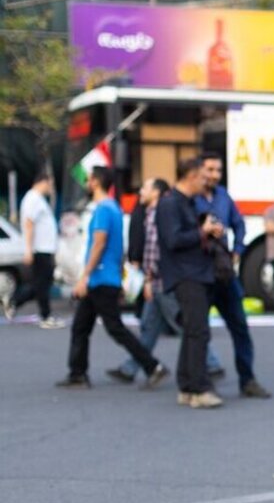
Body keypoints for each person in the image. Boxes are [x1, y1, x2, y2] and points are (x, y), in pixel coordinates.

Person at [56, 166, 169, 390]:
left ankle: (151, 365)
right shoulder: (114, 208)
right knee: (82, 326)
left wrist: (84, 276)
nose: (87, 184)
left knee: (114, 328)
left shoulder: (103, 210)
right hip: (105, 276)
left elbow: (99, 242)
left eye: (89, 180)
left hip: (99, 277)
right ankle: (77, 373)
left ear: (96, 182)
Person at [195, 151, 271, 399]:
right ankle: (202, 381)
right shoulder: (190, 198)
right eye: (210, 170)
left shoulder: (223, 196)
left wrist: (238, 249)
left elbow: (239, 224)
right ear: (199, 170)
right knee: (199, 331)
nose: (214, 175)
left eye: (218, 170)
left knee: (239, 327)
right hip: (200, 273)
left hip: (224, 272)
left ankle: (247, 380)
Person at [158, 158, 225, 409]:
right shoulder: (169, 203)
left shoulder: (186, 203)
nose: (205, 181)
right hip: (186, 275)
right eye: (202, 176)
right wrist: (202, 232)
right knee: (198, 331)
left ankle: (187, 385)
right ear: (190, 176)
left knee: (192, 330)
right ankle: (199, 388)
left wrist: (207, 230)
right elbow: (173, 239)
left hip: (196, 272)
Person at [107, 178, 185, 383]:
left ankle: (210, 363)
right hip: (156, 279)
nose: (140, 191)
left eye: (145, 188)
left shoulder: (159, 216)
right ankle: (132, 368)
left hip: (160, 281)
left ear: (157, 193)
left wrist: (149, 279)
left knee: (183, 324)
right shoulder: (148, 213)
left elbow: (156, 251)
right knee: (149, 327)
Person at [4, 172, 63, 328]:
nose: (51, 188)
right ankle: (45, 316)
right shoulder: (33, 199)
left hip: (45, 249)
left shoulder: (38, 199)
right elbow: (29, 224)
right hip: (40, 249)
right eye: (49, 184)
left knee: (40, 283)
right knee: (42, 284)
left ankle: (15, 301)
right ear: (42, 182)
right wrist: (29, 249)